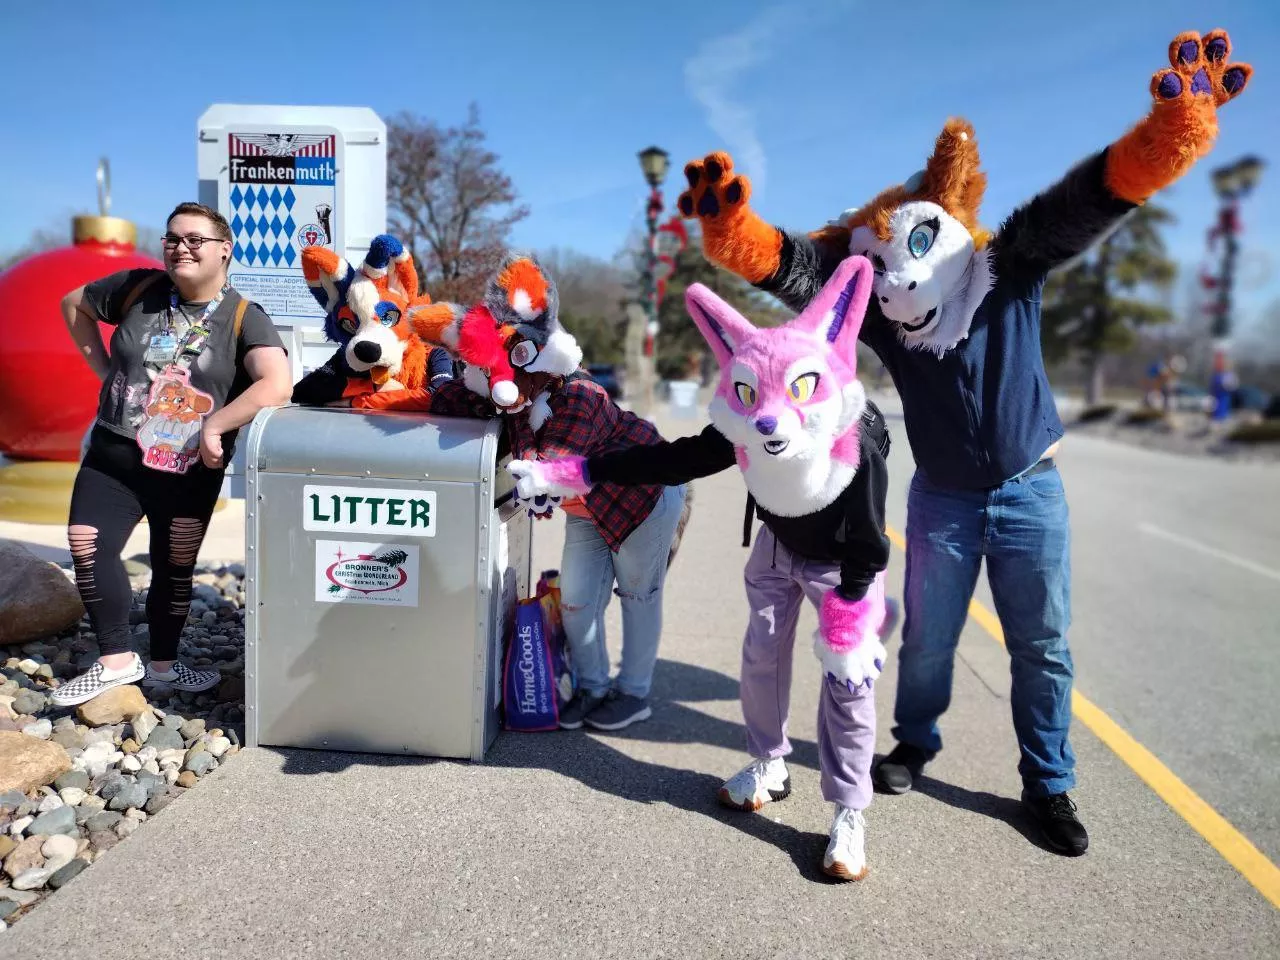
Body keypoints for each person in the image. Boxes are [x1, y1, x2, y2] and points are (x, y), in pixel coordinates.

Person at [669, 28, 1251, 856]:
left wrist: (1169, 134)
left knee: (1040, 643)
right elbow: (807, 276)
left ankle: (1048, 784)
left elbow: (1088, 200)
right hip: (940, 494)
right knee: (932, 638)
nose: (894, 272)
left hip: (1029, 487)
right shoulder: (888, 316)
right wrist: (736, 231)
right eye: (877, 251)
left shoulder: (1007, 268)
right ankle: (916, 740)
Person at [508, 257, 894, 881]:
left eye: (795, 389)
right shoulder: (746, 424)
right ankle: (769, 764)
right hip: (778, 541)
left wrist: (853, 617)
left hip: (844, 559)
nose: (769, 416)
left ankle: (849, 810)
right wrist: (568, 472)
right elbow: (669, 460)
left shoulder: (855, 437)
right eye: (750, 395)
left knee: (848, 684)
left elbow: (872, 543)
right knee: (761, 656)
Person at [299, 253, 691, 732]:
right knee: (578, 601)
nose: (503, 387)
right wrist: (354, 401)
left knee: (637, 595)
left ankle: (633, 694)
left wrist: (537, 480)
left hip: (640, 499)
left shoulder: (580, 396)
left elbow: (556, 468)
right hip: (588, 512)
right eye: (490, 370)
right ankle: (592, 688)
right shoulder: (490, 387)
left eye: (512, 366)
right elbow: (434, 398)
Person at [52, 202, 292, 707]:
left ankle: (163, 666)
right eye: (172, 238)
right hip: (113, 455)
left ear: (224, 250)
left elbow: (277, 383)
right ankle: (117, 660)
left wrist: (217, 425)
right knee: (86, 543)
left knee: (174, 564)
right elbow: (73, 304)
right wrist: (105, 374)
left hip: (185, 470)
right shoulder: (137, 289)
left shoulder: (244, 316)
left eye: (194, 239)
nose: (180, 247)